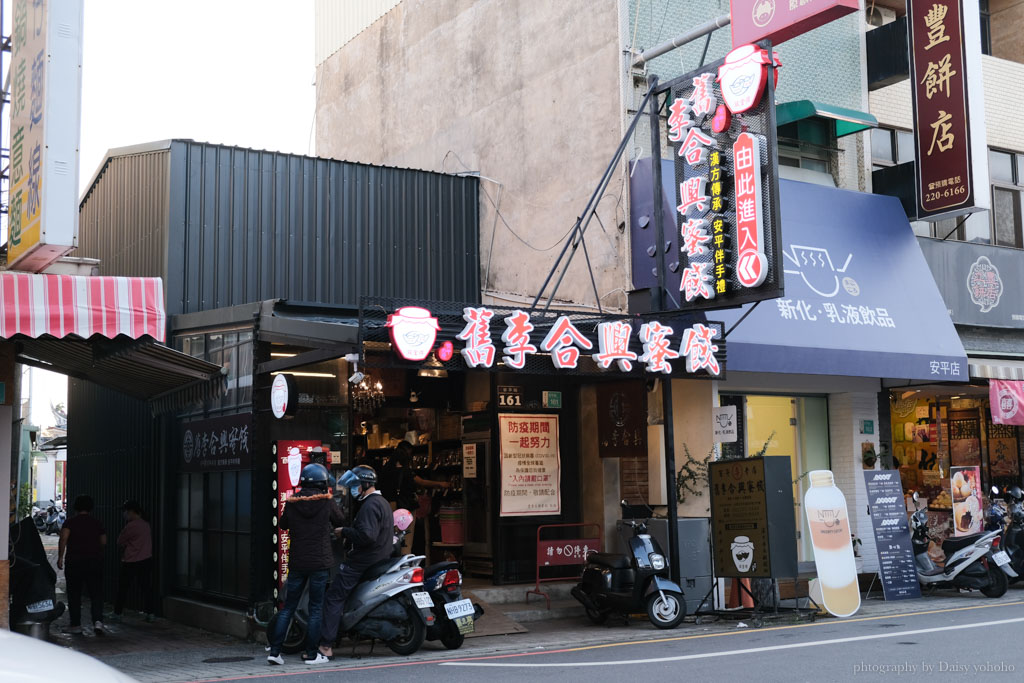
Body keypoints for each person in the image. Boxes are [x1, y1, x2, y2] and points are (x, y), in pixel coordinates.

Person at [268, 463, 345, 666]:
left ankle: (275, 652)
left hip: (298, 562)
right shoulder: (326, 502)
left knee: (288, 608)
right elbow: (341, 520)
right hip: (319, 563)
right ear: (322, 482)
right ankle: (312, 654)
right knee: (316, 608)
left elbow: (283, 524)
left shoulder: (293, 502)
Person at [318, 465, 392, 659]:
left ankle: (326, 645)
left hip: (362, 561)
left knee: (334, 597)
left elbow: (367, 536)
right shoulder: (382, 502)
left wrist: (344, 532)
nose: (353, 489)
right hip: (377, 559)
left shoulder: (370, 505)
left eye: (355, 485)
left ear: (365, 484)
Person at [386, 440, 450, 554]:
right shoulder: (405, 471)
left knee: (392, 538)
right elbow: (421, 482)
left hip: (389, 506)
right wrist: (440, 484)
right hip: (405, 507)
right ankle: (404, 566)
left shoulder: (386, 469)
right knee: (406, 539)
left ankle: (394, 562)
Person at [57, 495, 107, 635]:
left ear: (76, 507)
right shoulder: (97, 523)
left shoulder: (70, 522)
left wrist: (60, 557)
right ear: (91, 507)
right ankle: (98, 622)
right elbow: (103, 542)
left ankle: (75, 625)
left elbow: (63, 539)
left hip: (75, 562)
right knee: (96, 593)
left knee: (74, 594)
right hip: (94, 562)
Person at [112, 500, 155, 623]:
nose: (124, 514)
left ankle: (118, 613)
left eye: (125, 511)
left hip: (130, 561)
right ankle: (150, 613)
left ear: (130, 512)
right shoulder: (146, 525)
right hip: (146, 560)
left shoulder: (130, 526)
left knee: (123, 588)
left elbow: (119, 541)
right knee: (146, 588)